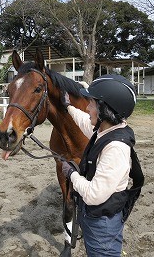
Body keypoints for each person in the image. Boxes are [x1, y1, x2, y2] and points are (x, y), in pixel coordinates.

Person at [61, 74, 141, 256]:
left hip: (102, 226)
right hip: (95, 218)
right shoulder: (106, 131)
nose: (88, 107)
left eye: (91, 103)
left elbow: (93, 195)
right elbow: (84, 122)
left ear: (105, 109)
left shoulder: (115, 148)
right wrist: (68, 107)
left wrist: (71, 173)